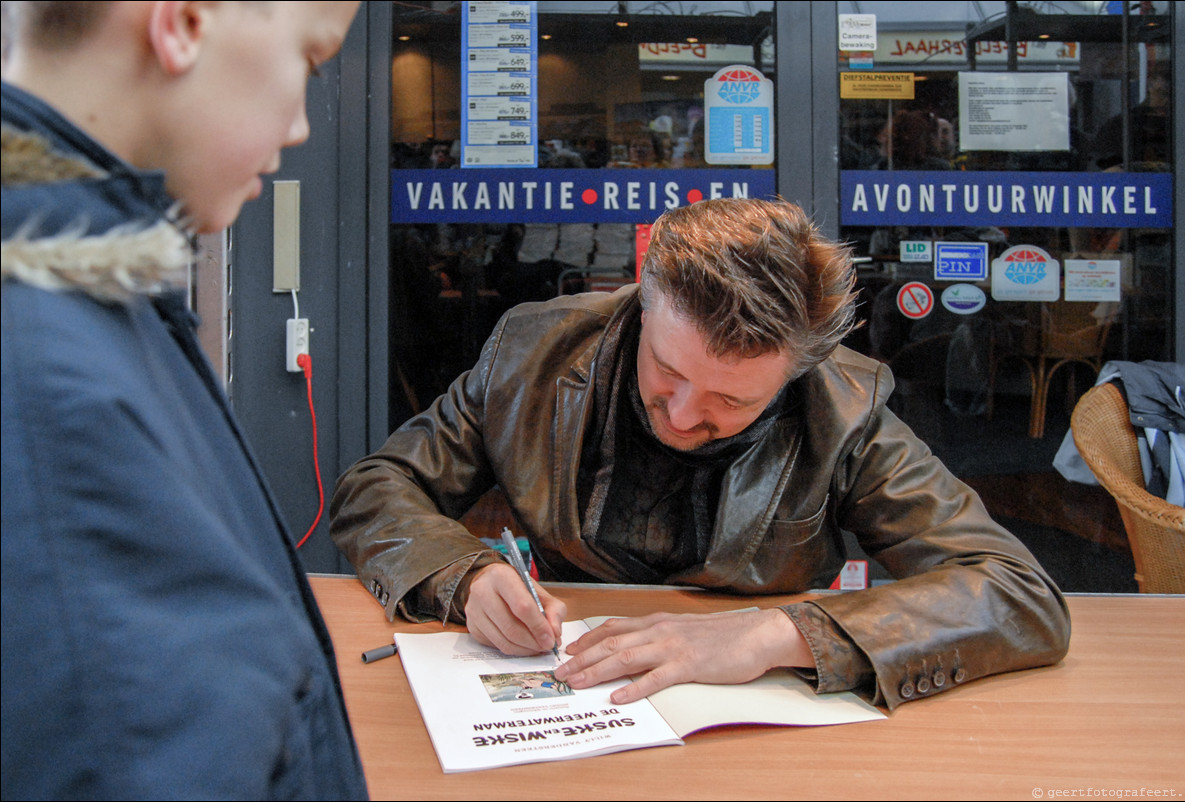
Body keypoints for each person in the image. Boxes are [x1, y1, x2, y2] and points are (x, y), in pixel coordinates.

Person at [330, 197, 1070, 711]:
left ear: (795, 372)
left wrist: (778, 634)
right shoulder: (532, 351)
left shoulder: (842, 408)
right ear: (642, 303)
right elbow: (379, 485)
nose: (685, 416)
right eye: (669, 373)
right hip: (573, 686)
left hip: (759, 704)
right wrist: (464, 575)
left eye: (734, 402)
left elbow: (1016, 593)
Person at [1, 2, 367, 799]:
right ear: (184, 23)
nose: (303, 125)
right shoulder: (46, 379)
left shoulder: (87, 289)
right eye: (309, 60)